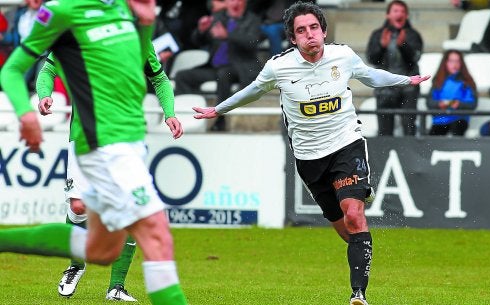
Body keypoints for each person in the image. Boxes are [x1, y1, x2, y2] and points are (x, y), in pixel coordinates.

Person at [192, 2, 430, 304]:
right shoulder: (278, 67)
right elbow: (251, 90)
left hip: (346, 144)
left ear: (324, 31)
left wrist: (406, 80)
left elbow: (371, 76)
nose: (309, 35)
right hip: (308, 158)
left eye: (314, 28)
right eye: (301, 31)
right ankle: (359, 236)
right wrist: (217, 109)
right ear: (293, 38)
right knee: (347, 231)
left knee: (354, 215)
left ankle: (358, 295)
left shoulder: (342, 56)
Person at [0, 1, 189, 305]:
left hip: (130, 141)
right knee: (152, 233)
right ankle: (78, 268)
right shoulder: (63, 12)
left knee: (104, 248)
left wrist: (146, 26)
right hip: (98, 141)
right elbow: (16, 69)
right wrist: (27, 111)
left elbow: (143, 73)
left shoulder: (126, 14)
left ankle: (112, 284)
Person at [35, 49, 183, 300]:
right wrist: (44, 95)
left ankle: (116, 287)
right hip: (84, 135)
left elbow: (159, 79)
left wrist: (170, 113)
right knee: (79, 207)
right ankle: (76, 265)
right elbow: (48, 70)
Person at [174, 0, 262, 132]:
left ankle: (220, 119)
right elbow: (197, 41)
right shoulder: (218, 18)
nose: (234, 3)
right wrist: (201, 31)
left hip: (240, 68)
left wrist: (228, 35)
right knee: (182, 76)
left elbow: (252, 43)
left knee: (224, 74)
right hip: (215, 67)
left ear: (244, 2)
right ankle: (187, 117)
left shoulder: (252, 20)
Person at [366, 0, 423, 136]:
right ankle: (384, 156)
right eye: (396, 11)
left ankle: (411, 156)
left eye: (403, 11)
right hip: (385, 88)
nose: (400, 14)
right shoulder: (378, 34)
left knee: (409, 128)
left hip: (408, 88)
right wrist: (381, 47)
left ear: (407, 16)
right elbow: (372, 59)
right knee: (385, 131)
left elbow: (415, 58)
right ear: (388, 15)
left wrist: (403, 46)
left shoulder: (413, 35)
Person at [427, 49, 477, 136]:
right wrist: (439, 104)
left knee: (456, 130)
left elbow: (472, 104)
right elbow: (429, 102)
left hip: (459, 118)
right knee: (432, 139)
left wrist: (459, 104)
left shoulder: (467, 81)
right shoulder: (438, 81)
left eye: (457, 61)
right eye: (451, 61)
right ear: (445, 63)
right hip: (440, 119)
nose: (454, 64)